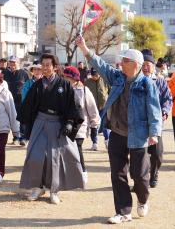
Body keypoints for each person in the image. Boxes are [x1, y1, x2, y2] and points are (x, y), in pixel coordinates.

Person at [76, 36, 162, 224]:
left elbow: (154, 109)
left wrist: (154, 133)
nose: (121, 63)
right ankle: (123, 212)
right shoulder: (118, 77)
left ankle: (142, 198)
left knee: (139, 174)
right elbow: (101, 66)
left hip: (138, 135)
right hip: (116, 132)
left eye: (125, 61)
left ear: (136, 64)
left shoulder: (147, 84)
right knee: (118, 173)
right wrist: (84, 48)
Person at [18, 53, 84, 205]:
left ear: (55, 67)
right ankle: (38, 187)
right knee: (35, 155)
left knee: (55, 158)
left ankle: (54, 190)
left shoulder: (64, 84)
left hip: (57, 123)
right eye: (43, 65)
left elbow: (73, 106)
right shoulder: (37, 85)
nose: (46, 68)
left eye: (48, 65)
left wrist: (69, 122)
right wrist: (26, 124)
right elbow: (28, 106)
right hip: (40, 122)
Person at [141, 49, 173, 188]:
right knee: (140, 154)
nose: (146, 67)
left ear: (154, 66)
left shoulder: (160, 81)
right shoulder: (135, 81)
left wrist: (165, 111)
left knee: (157, 154)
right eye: (143, 64)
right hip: (139, 124)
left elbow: (167, 98)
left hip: (155, 124)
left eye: (148, 64)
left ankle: (154, 174)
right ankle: (142, 178)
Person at [63, 66, 100, 184]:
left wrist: (94, 125)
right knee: (66, 152)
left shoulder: (84, 90)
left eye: (67, 77)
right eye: (64, 76)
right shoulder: (62, 89)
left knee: (77, 150)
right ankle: (70, 175)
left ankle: (83, 173)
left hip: (80, 127)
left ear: (75, 78)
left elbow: (92, 109)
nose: (65, 79)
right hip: (65, 126)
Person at [4, 55, 29, 146]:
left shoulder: (24, 73)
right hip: (9, 100)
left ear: (18, 63)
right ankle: (15, 137)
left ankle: (23, 137)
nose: (12, 64)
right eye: (10, 62)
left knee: (22, 119)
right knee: (12, 119)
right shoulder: (6, 73)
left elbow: (28, 86)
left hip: (21, 100)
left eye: (14, 62)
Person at [84, 67, 110, 150]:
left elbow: (110, 91)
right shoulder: (87, 82)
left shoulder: (105, 80)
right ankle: (94, 142)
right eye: (93, 75)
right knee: (94, 125)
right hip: (92, 107)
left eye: (96, 75)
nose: (95, 76)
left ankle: (107, 140)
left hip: (104, 106)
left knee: (105, 124)